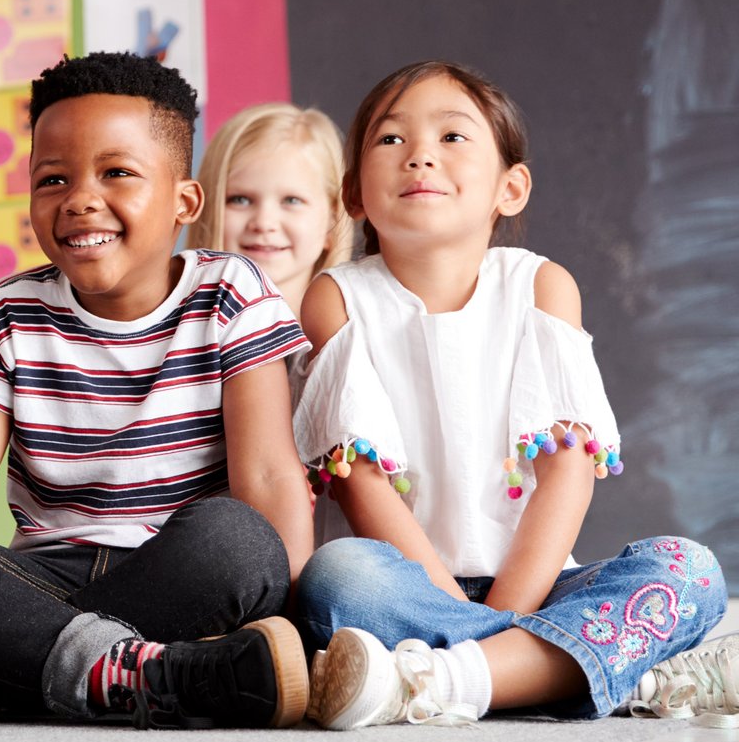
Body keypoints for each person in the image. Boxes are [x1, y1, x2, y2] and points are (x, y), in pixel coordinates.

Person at [0, 52, 314, 728]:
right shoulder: (8, 313)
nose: (80, 197)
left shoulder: (232, 294)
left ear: (184, 200)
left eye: (117, 173)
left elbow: (267, 474)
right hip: (38, 580)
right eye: (53, 178)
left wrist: (302, 627)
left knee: (239, 540)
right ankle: (155, 674)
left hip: (177, 572)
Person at [294, 61, 726, 727]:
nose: (420, 158)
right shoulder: (337, 298)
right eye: (391, 140)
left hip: (539, 587)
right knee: (338, 577)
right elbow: (361, 484)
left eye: (452, 137)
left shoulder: (541, 286)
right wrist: (487, 626)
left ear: (511, 187)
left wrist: (507, 613)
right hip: (406, 591)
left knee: (691, 570)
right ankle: (566, 670)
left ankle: (451, 676)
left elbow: (568, 472)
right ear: (353, 194)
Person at [190, 102, 351, 312]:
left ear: (333, 218)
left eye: (291, 200)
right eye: (240, 199)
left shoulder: (359, 339)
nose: (264, 223)